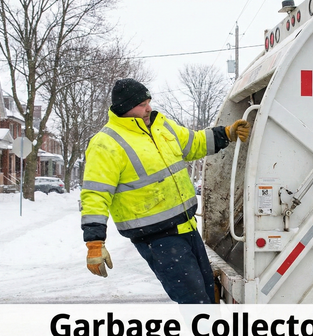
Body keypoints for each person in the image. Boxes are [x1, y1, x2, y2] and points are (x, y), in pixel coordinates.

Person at [80, 78, 250, 304]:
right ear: (124, 108)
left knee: (208, 293)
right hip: (158, 239)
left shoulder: (161, 127)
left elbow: (195, 142)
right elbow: (95, 195)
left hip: (187, 229)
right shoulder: (106, 144)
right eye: (142, 104)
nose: (148, 108)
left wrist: (226, 133)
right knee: (194, 301)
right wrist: (94, 243)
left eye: (148, 102)